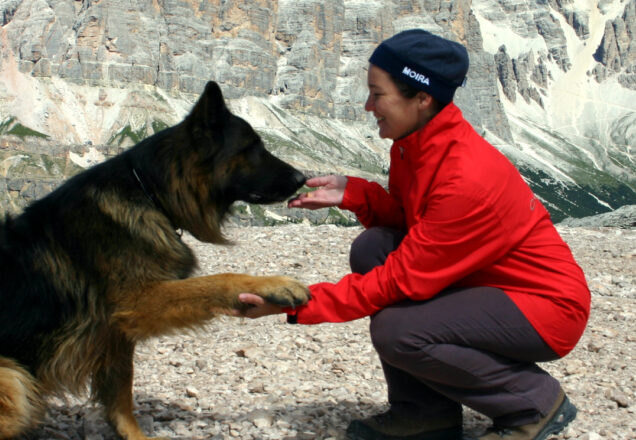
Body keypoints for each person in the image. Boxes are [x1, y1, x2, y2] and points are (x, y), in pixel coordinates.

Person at [233, 29, 590, 440]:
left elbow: (403, 278)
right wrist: (355, 194)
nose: (369, 106)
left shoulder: (465, 176)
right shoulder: (414, 143)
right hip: (484, 283)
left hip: (542, 307)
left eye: (377, 95)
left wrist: (293, 303)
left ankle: (533, 402)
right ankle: (425, 413)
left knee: (399, 331)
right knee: (374, 247)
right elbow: (410, 224)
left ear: (422, 98)